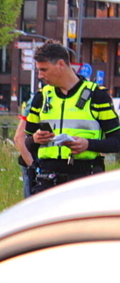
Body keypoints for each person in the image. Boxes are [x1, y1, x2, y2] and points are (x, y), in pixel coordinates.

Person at [24, 41, 120, 194]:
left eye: (44, 70)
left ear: (61, 64)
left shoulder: (97, 96)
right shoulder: (41, 97)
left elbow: (117, 141)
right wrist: (35, 139)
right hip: (47, 180)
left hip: (85, 179)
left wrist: (88, 144)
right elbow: (27, 142)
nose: (40, 75)